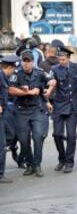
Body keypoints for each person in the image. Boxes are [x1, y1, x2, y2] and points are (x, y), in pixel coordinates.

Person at [9, 44, 55, 177]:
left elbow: (52, 81)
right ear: (21, 61)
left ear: (33, 62)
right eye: (24, 61)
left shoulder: (40, 72)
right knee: (23, 140)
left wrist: (48, 90)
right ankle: (29, 164)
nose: (26, 64)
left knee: (38, 137)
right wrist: (28, 92)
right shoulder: (16, 74)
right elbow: (11, 90)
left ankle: (37, 164)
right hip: (21, 110)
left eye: (29, 61)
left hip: (36, 110)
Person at [48, 46, 77, 173]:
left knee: (72, 135)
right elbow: (51, 80)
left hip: (72, 106)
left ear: (68, 58)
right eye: (59, 59)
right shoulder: (54, 69)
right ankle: (62, 158)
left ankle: (69, 162)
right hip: (59, 105)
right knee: (57, 134)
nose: (61, 61)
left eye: (63, 59)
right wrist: (50, 87)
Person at [0, 55, 19, 183]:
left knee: (10, 134)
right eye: (13, 69)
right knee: (2, 145)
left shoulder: (3, 76)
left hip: (4, 112)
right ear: (10, 67)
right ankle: (0, 174)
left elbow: (7, 90)